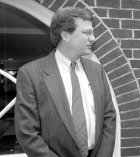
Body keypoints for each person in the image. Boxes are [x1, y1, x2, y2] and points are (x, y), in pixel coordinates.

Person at [15, 7, 116, 157]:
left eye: (92, 32)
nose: (93, 38)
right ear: (65, 35)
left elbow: (109, 118)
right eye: (86, 33)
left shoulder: (97, 71)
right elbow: (27, 133)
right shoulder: (31, 74)